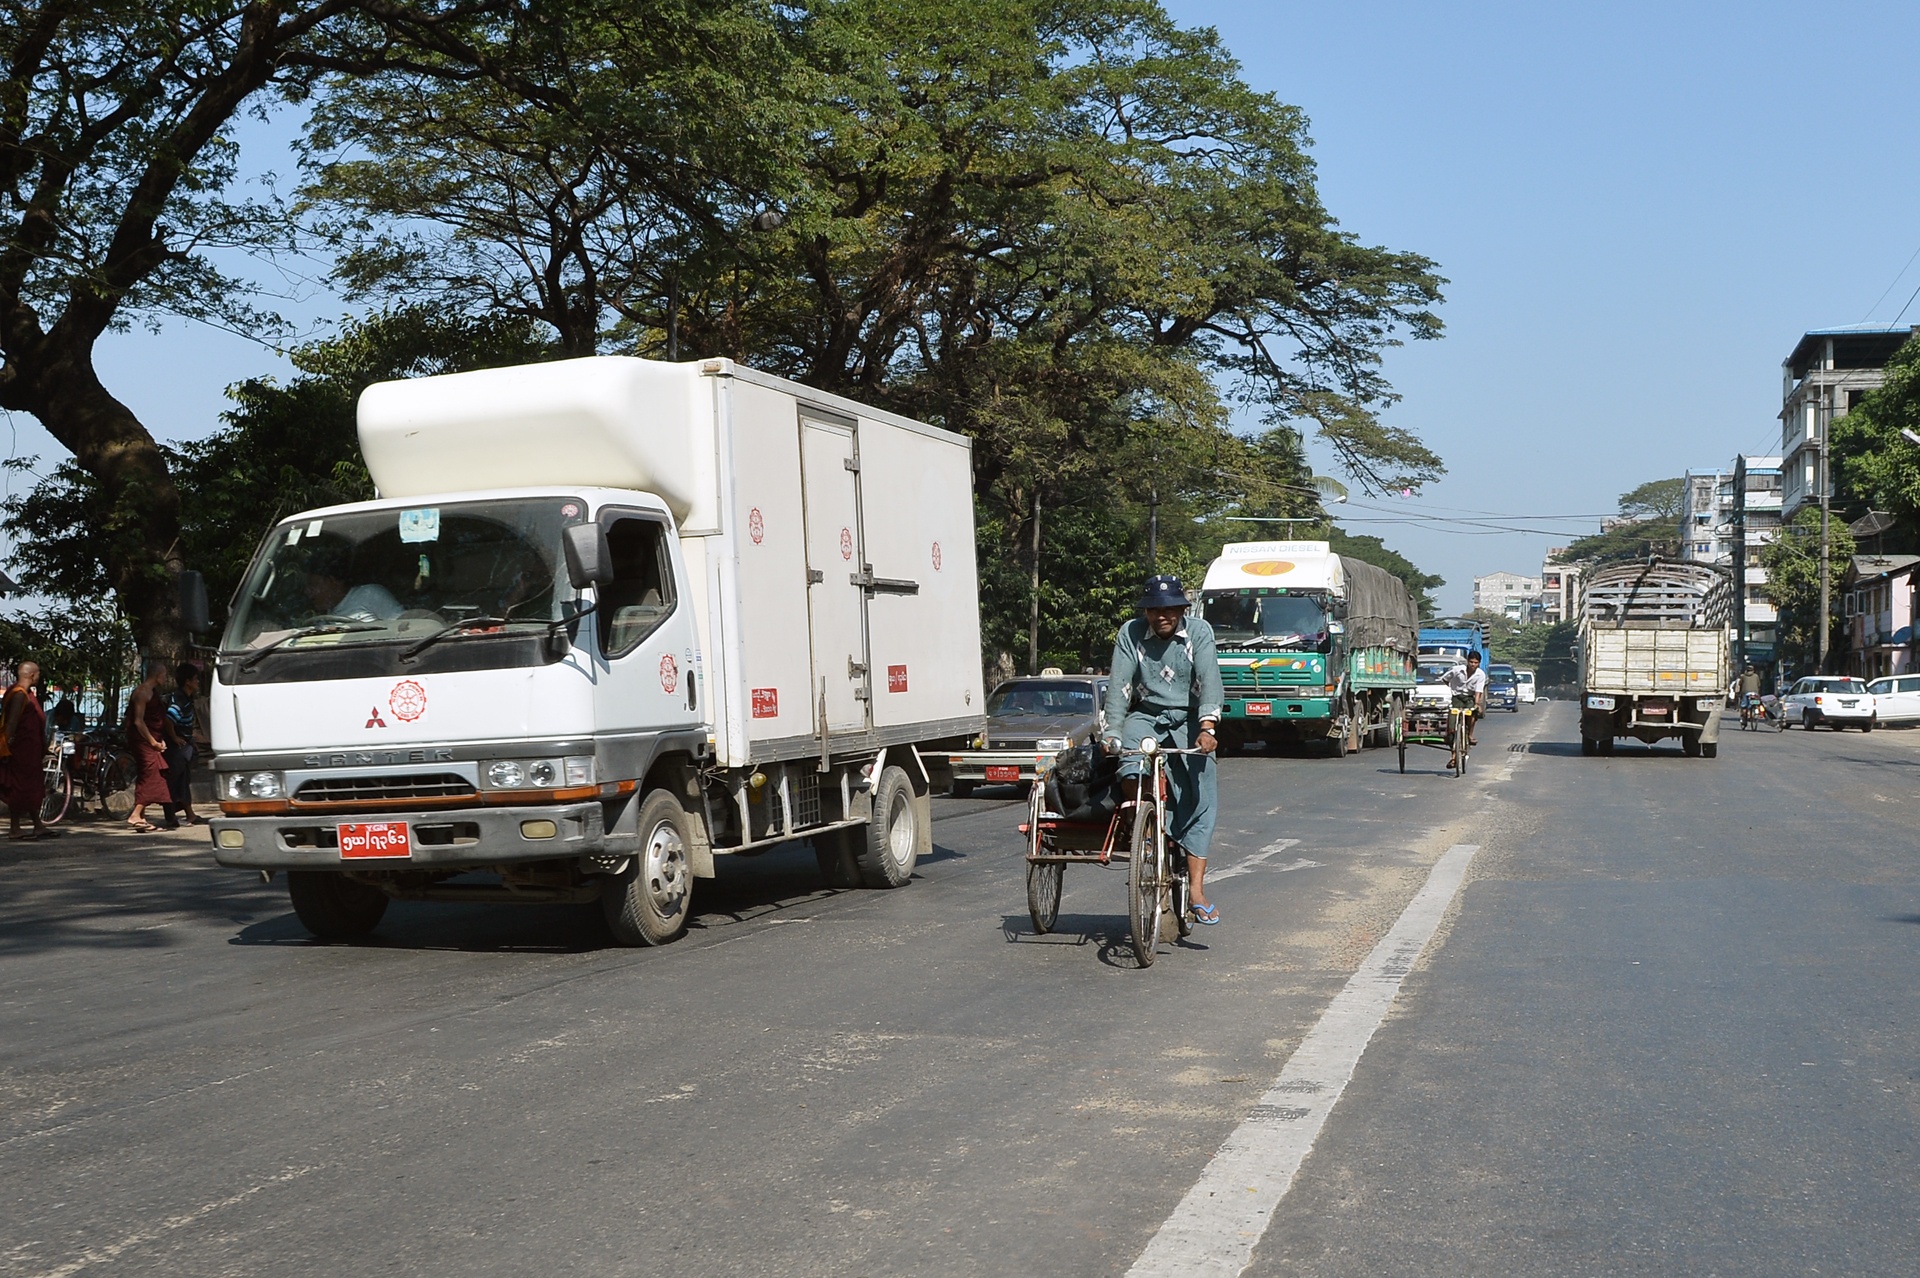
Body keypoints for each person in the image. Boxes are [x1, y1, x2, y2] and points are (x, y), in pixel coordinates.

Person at [1102, 574, 1227, 925]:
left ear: (1182, 610)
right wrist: (1112, 733)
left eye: (1170, 609)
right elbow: (1120, 687)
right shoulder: (1130, 634)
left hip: (1190, 719)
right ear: (1146, 612)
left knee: (1202, 798)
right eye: (1155, 610)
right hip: (1147, 717)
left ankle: (1197, 891)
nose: (1163, 616)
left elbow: (1209, 681)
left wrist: (1207, 727)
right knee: (1129, 762)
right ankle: (1143, 829)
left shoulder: (1199, 632)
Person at [2, 660, 49, 839]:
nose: (39, 676)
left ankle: (38, 825)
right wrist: (5, 747)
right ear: (31, 675)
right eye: (38, 674)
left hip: (30, 749)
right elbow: (12, 722)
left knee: (30, 788)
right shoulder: (19, 695)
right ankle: (15, 828)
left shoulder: (26, 693)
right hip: (21, 750)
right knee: (20, 788)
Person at [124, 661, 172, 834]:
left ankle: (141, 819)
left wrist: (159, 739)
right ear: (157, 675)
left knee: (148, 774)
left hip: (151, 738)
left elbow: (157, 720)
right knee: (151, 775)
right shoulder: (142, 692)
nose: (166, 678)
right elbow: (138, 721)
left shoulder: (153, 692)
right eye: (164, 675)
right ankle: (135, 814)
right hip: (142, 741)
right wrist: (152, 742)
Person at [161, 663, 203, 828]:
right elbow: (169, 719)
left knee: (183, 780)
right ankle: (170, 817)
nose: (198, 682)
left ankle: (189, 814)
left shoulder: (184, 698)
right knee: (174, 781)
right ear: (187, 681)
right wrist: (175, 738)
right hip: (177, 749)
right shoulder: (180, 700)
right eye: (195, 679)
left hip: (183, 746)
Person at [1442, 651, 1489, 762]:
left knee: (1472, 714)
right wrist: (1452, 688)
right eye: (1471, 662)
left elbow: (1478, 691)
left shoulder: (1480, 675)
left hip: (1469, 699)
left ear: (1479, 663)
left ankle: (1469, 735)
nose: (1473, 665)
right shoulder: (1457, 670)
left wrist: (1477, 704)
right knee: (1451, 727)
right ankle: (1453, 755)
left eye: (1476, 663)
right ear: (1467, 661)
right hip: (1456, 698)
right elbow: (1445, 679)